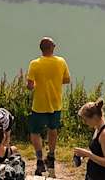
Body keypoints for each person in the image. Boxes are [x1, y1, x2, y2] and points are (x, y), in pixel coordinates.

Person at [25, 36, 71, 175]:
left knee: (35, 132)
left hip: (39, 105)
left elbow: (30, 86)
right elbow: (67, 80)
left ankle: (39, 160)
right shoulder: (61, 61)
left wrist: (38, 84)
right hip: (56, 103)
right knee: (53, 129)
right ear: (52, 48)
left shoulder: (34, 64)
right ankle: (51, 156)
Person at [71, 100, 105, 180]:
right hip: (92, 174)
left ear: (94, 117)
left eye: (86, 120)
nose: (85, 123)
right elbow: (97, 151)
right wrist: (83, 154)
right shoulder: (97, 128)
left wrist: (88, 154)